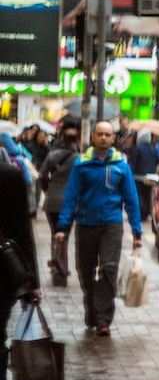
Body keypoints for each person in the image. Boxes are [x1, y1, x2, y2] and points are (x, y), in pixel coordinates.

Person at [54, 121, 142, 336]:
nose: (104, 138)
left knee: (109, 269)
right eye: (100, 134)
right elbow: (71, 197)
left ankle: (103, 318)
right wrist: (62, 227)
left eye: (108, 134)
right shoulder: (81, 164)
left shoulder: (121, 165)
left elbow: (131, 200)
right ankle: (92, 308)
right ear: (93, 137)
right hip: (85, 225)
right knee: (85, 271)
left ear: (113, 138)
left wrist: (137, 232)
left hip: (111, 225)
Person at [0, 160, 42, 380]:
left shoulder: (10, 175)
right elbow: (23, 231)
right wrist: (31, 283)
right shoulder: (10, 175)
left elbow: (23, 230)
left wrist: (31, 282)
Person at [38, 120, 81, 287]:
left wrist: (48, 190)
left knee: (54, 232)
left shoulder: (52, 156)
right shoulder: (79, 159)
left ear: (61, 138)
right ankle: (61, 265)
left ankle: (56, 262)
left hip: (52, 201)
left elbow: (42, 176)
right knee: (65, 234)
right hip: (69, 203)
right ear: (77, 140)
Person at [127, 130, 159, 221]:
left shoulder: (136, 148)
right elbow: (158, 160)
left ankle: (142, 212)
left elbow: (133, 162)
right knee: (148, 195)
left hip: (138, 176)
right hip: (150, 177)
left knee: (139, 195)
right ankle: (147, 211)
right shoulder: (153, 148)